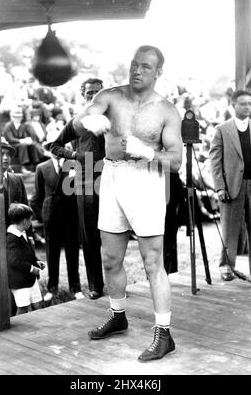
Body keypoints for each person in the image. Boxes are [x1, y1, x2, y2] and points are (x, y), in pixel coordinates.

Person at [71, 46, 183, 362]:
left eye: (145, 66)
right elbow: (82, 117)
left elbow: (176, 161)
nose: (136, 71)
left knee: (151, 261)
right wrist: (88, 120)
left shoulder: (166, 110)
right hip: (112, 175)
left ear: (158, 72)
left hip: (147, 179)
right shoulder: (111, 96)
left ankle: (164, 334)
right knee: (109, 257)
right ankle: (118, 315)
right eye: (134, 64)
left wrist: (148, 152)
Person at [50, 78, 105, 300]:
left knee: (116, 232)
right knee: (90, 235)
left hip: (111, 177)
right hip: (86, 181)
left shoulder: (115, 118)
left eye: (98, 92)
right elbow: (54, 145)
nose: (94, 96)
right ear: (83, 95)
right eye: (89, 92)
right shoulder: (78, 121)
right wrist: (75, 156)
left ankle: (118, 283)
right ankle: (95, 285)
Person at [209, 89, 251, 281]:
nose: (247, 107)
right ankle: (226, 266)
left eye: (250, 103)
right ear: (233, 105)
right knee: (229, 229)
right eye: (243, 103)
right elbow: (215, 162)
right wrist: (219, 187)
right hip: (231, 186)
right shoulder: (222, 130)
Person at [30, 132, 83, 301]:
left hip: (70, 217)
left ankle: (76, 288)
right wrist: (43, 215)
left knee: (72, 253)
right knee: (52, 255)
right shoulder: (42, 168)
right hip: (51, 219)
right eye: (52, 146)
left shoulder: (74, 165)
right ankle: (52, 288)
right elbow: (37, 197)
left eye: (58, 146)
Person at [6, 203, 45, 315]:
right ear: (24, 221)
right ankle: (18, 332)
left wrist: (36, 262)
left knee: (38, 304)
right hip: (20, 282)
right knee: (23, 308)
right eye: (30, 220)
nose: (31, 223)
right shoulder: (11, 238)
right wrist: (32, 268)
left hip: (30, 279)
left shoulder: (22, 233)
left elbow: (26, 253)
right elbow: (14, 261)